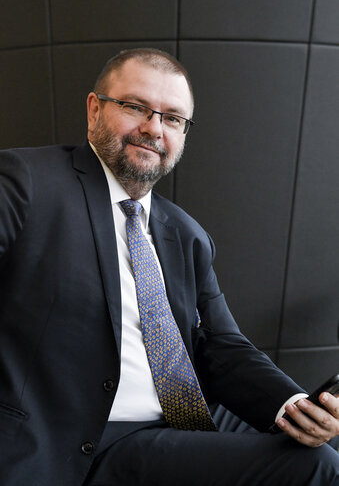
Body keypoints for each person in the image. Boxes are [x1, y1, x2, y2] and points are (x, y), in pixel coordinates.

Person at [0, 48, 338, 486]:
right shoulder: (26, 182)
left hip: (177, 421)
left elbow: (224, 349)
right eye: (135, 107)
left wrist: (296, 407)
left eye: (172, 118)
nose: (153, 128)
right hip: (78, 439)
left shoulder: (186, 234)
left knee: (321, 446)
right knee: (316, 469)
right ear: (94, 109)